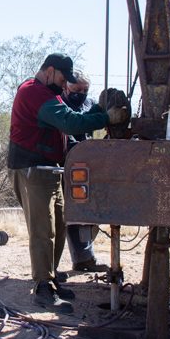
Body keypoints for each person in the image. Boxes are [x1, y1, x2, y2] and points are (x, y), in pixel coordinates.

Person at [7, 53, 127, 313]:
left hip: (49, 170)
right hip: (33, 170)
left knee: (60, 227)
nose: (65, 85)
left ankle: (50, 279)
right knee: (43, 231)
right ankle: (42, 288)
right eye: (63, 78)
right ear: (49, 71)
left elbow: (74, 119)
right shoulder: (33, 92)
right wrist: (106, 117)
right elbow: (71, 122)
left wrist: (97, 111)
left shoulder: (48, 94)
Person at [60, 71, 109, 273]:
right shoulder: (60, 106)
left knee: (91, 213)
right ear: (66, 87)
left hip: (88, 164)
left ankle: (85, 257)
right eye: (76, 89)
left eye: (85, 90)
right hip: (67, 163)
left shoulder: (88, 104)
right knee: (74, 214)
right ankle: (82, 259)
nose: (81, 93)